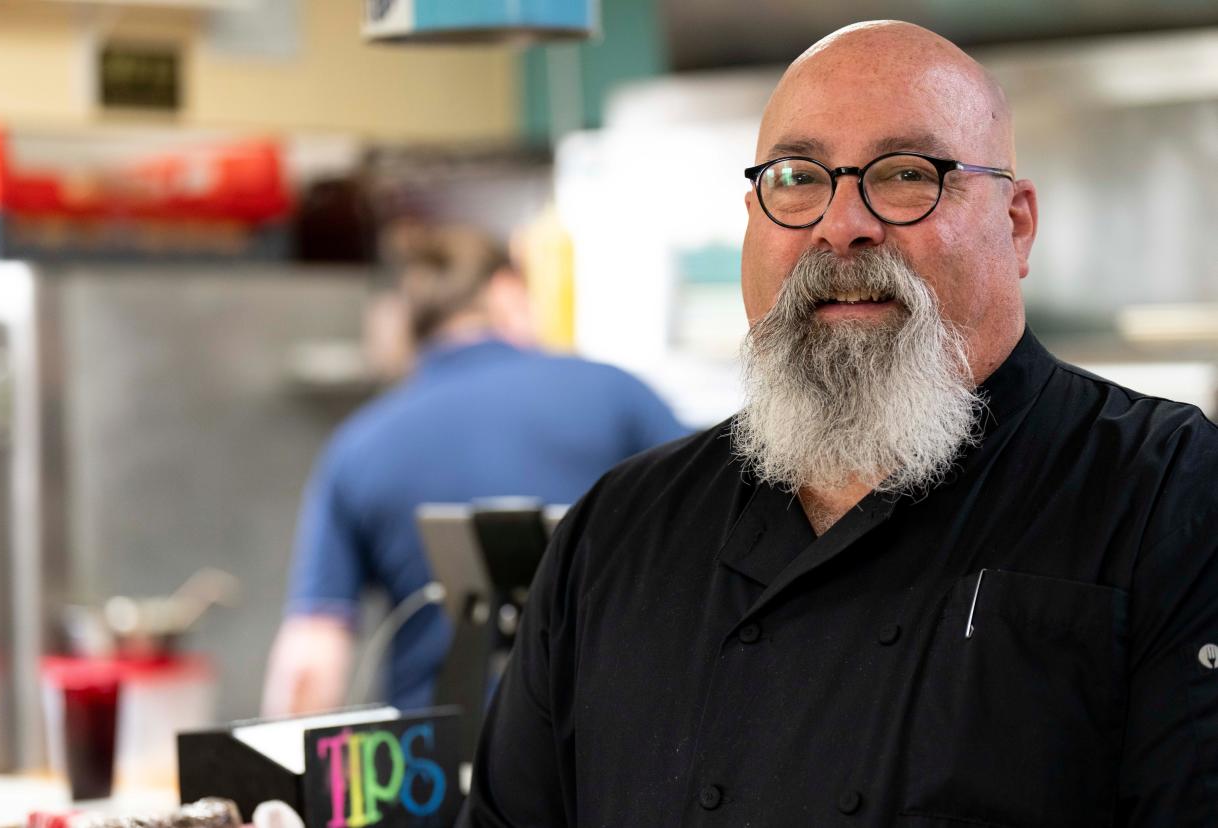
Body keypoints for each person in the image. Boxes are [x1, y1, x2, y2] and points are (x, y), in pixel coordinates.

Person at [463, 20, 1218, 827]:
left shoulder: (1172, 491)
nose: (841, 223)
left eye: (904, 175)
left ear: (1017, 223)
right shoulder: (617, 531)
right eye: (797, 177)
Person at [261, 225, 687, 716]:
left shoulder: (359, 444)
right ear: (507, 291)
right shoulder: (619, 397)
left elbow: (311, 661)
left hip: (432, 767)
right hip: (609, 745)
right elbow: (715, 548)